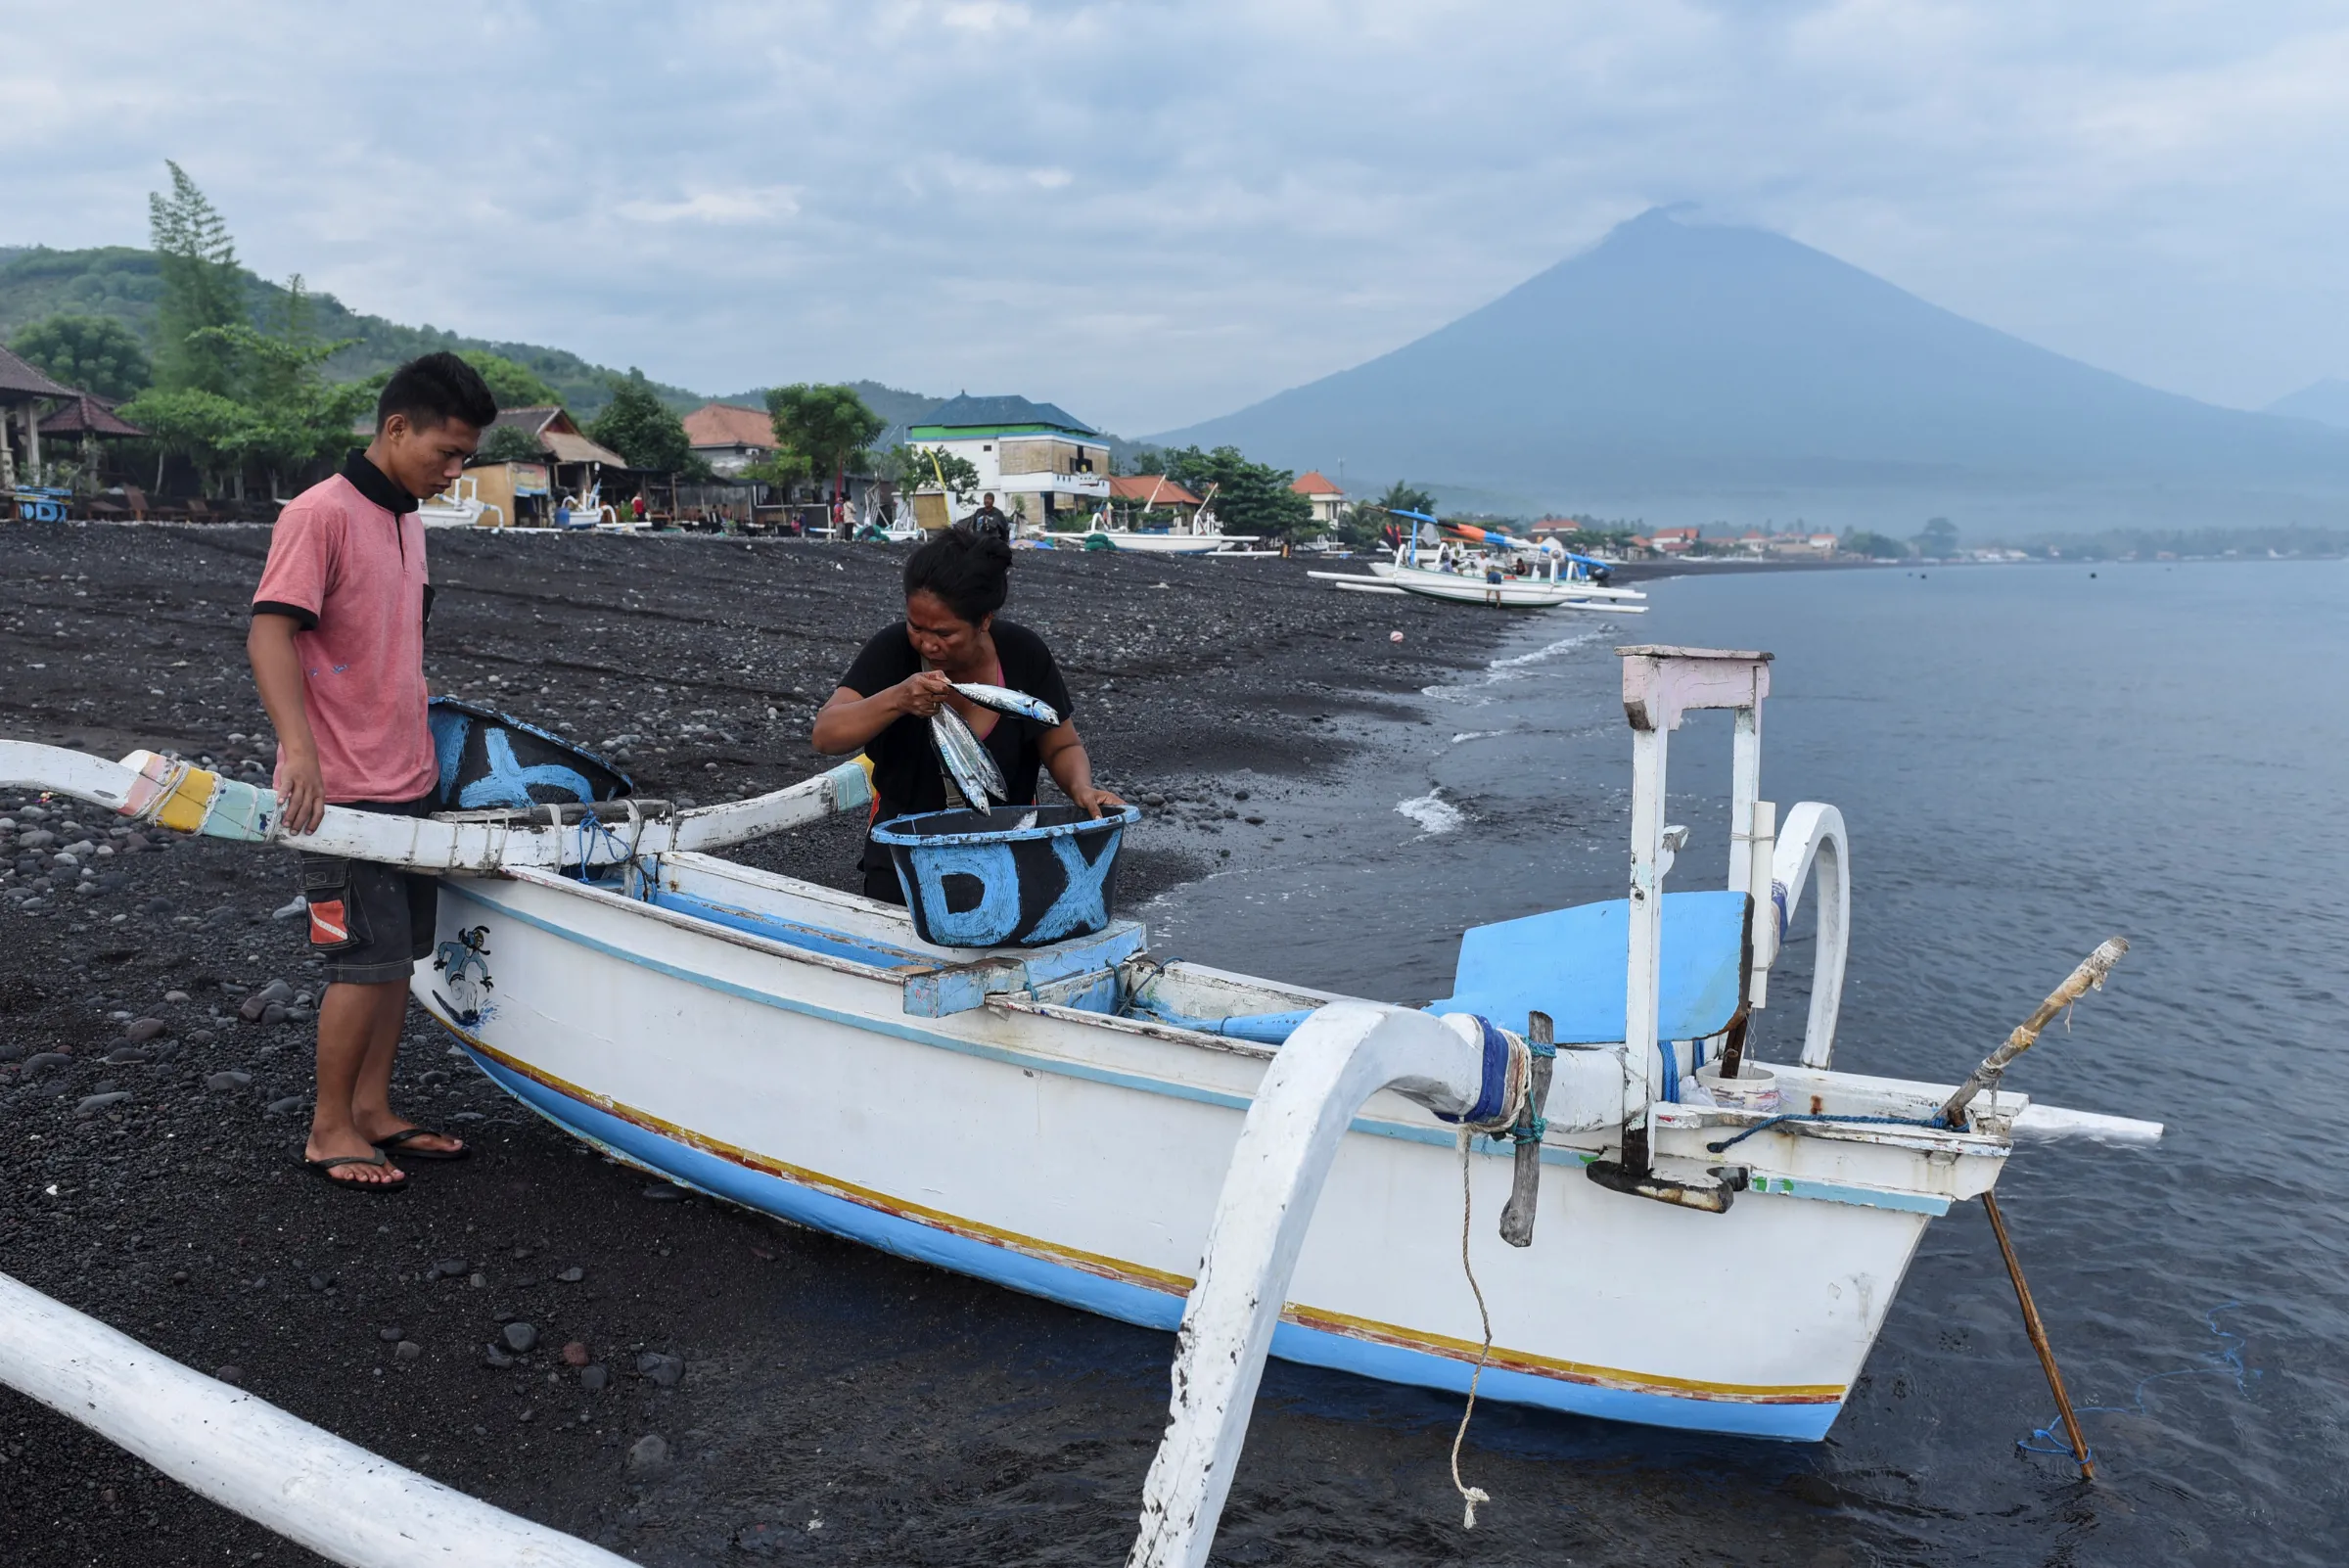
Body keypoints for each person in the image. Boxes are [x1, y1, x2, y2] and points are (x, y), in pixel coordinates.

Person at [247, 351, 497, 1191]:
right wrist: (303, 752)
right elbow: (270, 633)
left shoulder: (407, 521)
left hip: (407, 776)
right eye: (446, 453)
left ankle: (375, 1111)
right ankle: (328, 1129)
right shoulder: (320, 514)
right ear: (396, 429)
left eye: (466, 458)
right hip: (339, 790)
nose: (454, 471)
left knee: (401, 958)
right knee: (360, 960)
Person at [811, 525, 1126, 902]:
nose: (927, 642)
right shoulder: (893, 651)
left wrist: (1081, 788)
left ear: (985, 620)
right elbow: (826, 734)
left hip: (1009, 864)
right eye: (916, 626)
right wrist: (896, 699)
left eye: (945, 633)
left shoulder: (1024, 655)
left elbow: (1061, 746)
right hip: (906, 872)